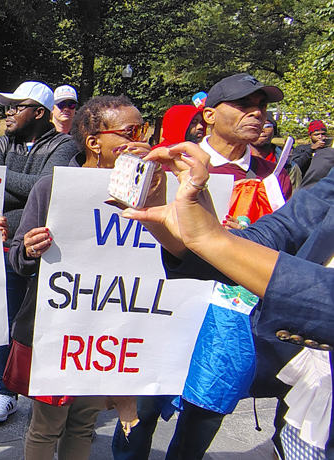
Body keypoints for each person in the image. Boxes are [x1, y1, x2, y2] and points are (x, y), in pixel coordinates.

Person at [113, 72, 290, 460]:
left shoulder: (273, 176)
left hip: (228, 324)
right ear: (209, 115)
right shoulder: (168, 162)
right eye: (244, 106)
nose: (257, 115)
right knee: (142, 411)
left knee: (204, 417)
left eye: (261, 107)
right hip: (164, 308)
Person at [8, 95, 149, 459]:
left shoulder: (150, 194)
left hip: (109, 333)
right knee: (46, 426)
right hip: (57, 330)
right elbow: (16, 258)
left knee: (83, 424)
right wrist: (29, 249)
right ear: (94, 142)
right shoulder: (52, 189)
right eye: (131, 132)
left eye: (144, 130)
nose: (142, 141)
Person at [0, 81, 77, 422]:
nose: (8, 112)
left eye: (16, 106)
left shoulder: (66, 145)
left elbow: (49, 190)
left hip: (49, 250)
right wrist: (23, 188)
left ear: (39, 113)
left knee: (48, 322)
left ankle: (49, 390)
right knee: (5, 322)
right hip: (6, 246)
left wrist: (2, 175)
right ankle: (4, 391)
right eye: (7, 106)